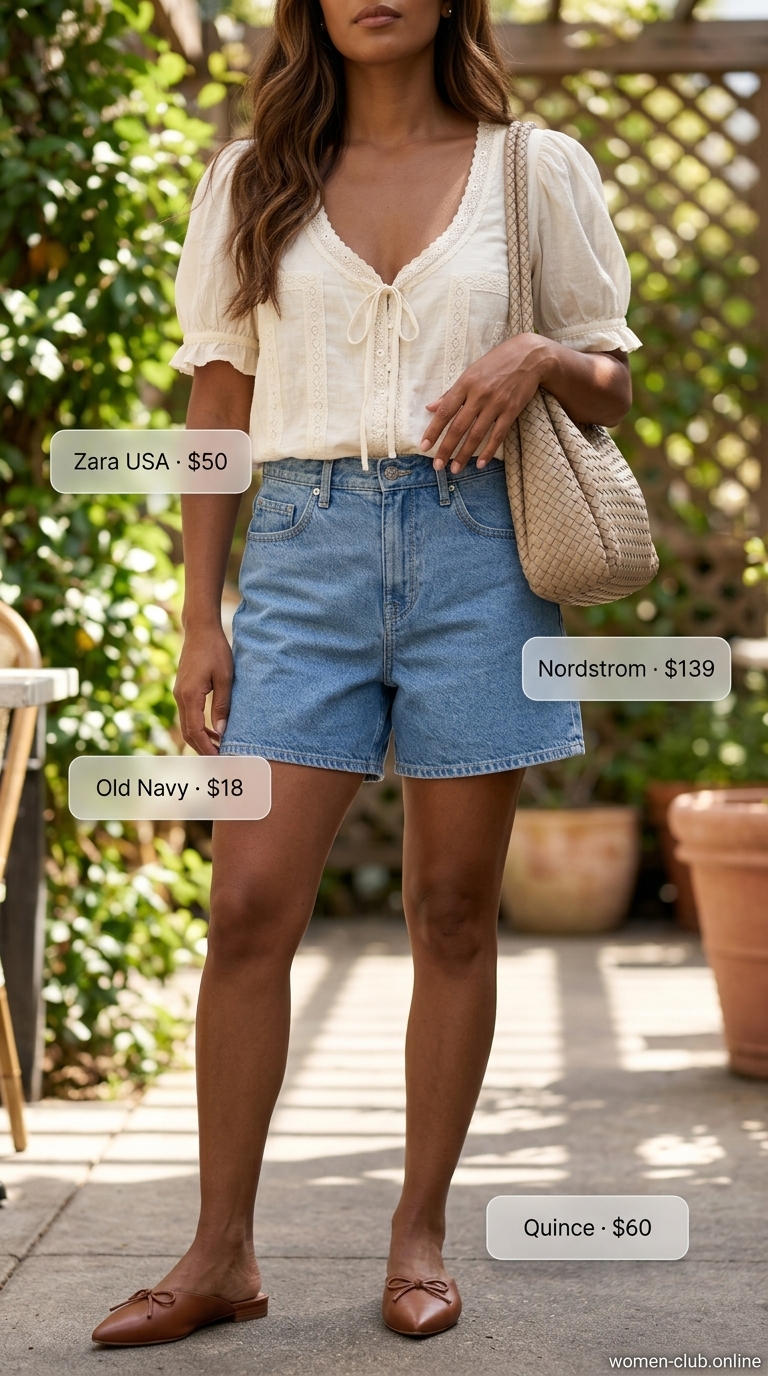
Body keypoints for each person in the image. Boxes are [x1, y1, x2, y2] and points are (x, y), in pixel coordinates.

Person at [91, 0, 638, 1347]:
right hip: (302, 559)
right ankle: (221, 1252)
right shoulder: (250, 179)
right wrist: (198, 611)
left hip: (479, 560)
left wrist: (537, 354)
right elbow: (216, 400)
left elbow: (613, 377)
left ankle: (419, 1235)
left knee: (453, 910)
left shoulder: (535, 167)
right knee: (248, 910)